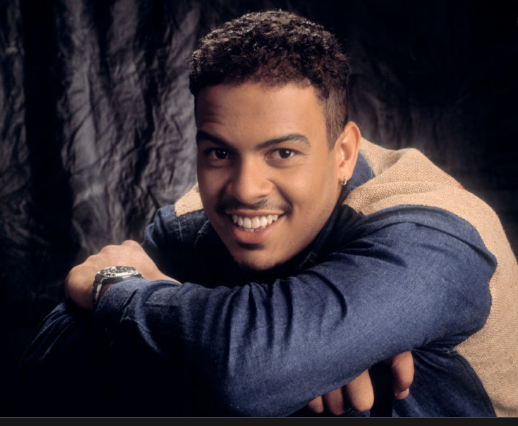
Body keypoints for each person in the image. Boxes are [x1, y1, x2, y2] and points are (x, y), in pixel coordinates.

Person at [20, 10, 518, 417]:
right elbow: (45, 369)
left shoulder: (435, 232)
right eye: (219, 153)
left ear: (344, 153)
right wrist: (301, 351)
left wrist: (115, 287)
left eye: (282, 153)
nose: (245, 189)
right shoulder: (195, 222)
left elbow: (249, 372)